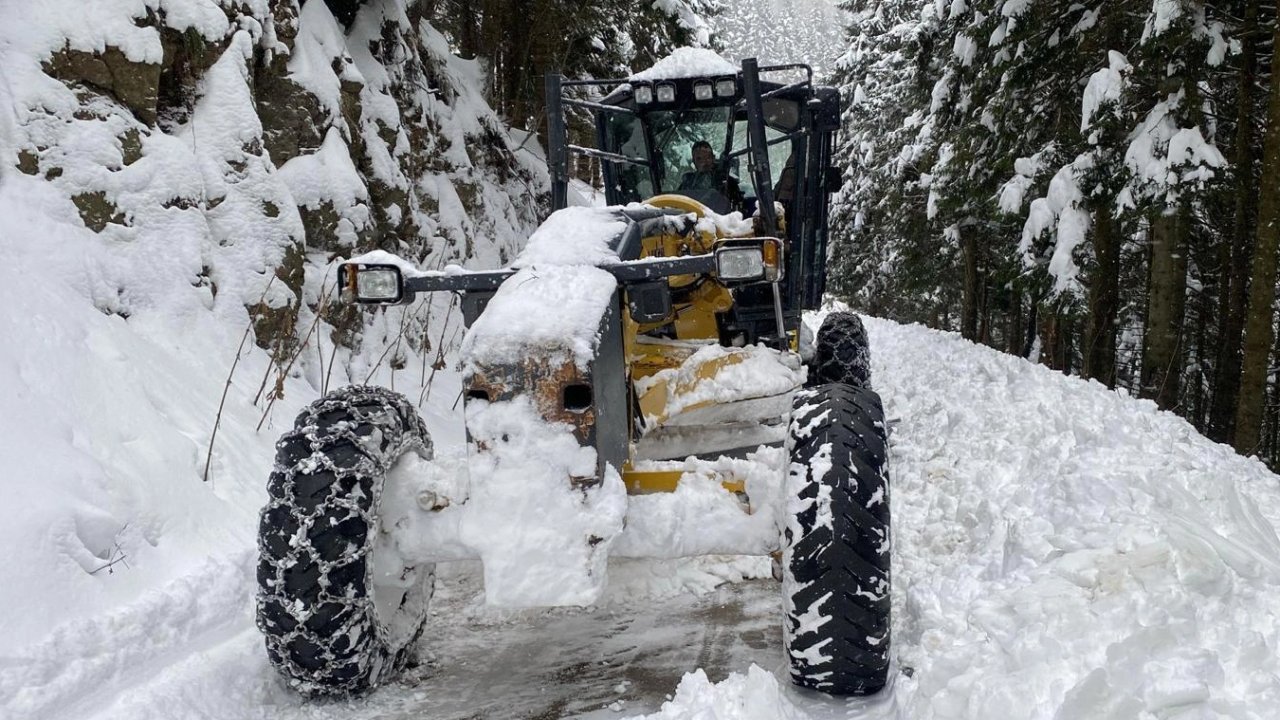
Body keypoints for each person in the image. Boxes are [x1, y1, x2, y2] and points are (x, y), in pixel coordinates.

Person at [678, 141, 743, 213]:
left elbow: (736, 211)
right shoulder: (687, 183)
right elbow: (677, 203)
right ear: (694, 161)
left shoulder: (727, 182)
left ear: (713, 158)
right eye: (699, 159)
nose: (704, 162)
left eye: (707, 157)